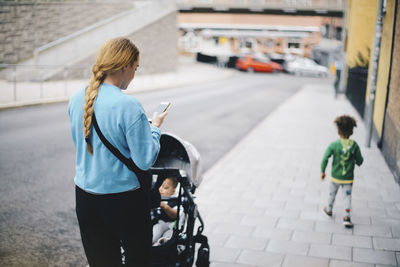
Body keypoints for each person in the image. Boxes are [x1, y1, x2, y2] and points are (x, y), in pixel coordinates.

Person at [68, 37, 167, 266]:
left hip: (85, 196)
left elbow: (82, 142)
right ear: (125, 66)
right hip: (124, 201)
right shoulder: (129, 106)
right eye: (135, 67)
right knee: (137, 260)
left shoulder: (76, 98)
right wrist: (155, 129)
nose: (134, 74)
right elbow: (144, 161)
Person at [321, 115, 363, 227]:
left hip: (335, 177)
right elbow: (360, 160)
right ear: (352, 131)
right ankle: (346, 217)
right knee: (347, 197)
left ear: (338, 131)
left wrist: (322, 171)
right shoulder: (354, 146)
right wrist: (357, 161)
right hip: (348, 179)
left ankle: (329, 209)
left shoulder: (334, 145)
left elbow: (325, 158)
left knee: (331, 193)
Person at [152, 177, 178, 245]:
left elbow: (176, 215)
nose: (160, 189)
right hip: (159, 223)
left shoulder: (175, 201)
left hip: (172, 225)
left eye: (165, 188)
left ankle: (162, 242)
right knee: (157, 229)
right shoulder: (156, 199)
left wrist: (165, 206)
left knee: (170, 234)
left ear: (173, 191)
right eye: (158, 187)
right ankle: (153, 242)